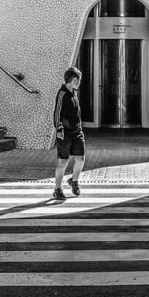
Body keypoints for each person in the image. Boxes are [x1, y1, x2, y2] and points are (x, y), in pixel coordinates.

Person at [52, 66, 85, 201]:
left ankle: (74, 181)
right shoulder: (62, 94)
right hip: (64, 133)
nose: (80, 82)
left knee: (81, 159)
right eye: (79, 79)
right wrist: (59, 131)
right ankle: (57, 189)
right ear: (75, 80)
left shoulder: (74, 93)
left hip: (77, 132)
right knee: (63, 161)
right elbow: (57, 114)